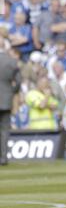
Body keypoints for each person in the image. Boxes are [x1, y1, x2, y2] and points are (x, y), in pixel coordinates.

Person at [0, 35, 21, 165]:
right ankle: (3, 158)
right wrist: (11, 92)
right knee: (4, 130)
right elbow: (18, 82)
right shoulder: (11, 61)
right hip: (6, 99)